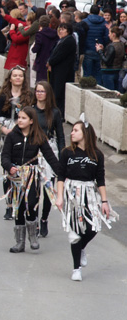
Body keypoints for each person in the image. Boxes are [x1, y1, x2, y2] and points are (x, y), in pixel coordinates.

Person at [55, 120, 115, 281]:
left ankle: (81, 248)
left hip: (89, 193)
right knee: (74, 233)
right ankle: (76, 269)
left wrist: (104, 202)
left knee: (94, 227)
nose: (71, 133)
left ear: (85, 134)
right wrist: (60, 197)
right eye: (72, 130)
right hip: (72, 194)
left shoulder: (97, 155)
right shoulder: (67, 153)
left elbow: (100, 180)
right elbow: (60, 176)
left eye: (75, 130)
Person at [1, 107, 62, 253]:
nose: (19, 120)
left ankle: (33, 235)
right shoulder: (12, 136)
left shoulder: (39, 137)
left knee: (32, 204)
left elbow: (50, 157)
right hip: (16, 177)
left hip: (31, 176)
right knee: (19, 207)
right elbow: (5, 156)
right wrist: (10, 167)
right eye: (19, 117)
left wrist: (62, 172)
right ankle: (20, 242)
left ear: (31, 121)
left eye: (23, 118)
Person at [0, 66, 34, 218]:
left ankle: (22, 204)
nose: (17, 78)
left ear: (24, 79)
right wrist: (5, 130)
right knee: (8, 170)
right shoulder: (4, 95)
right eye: (15, 76)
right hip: (8, 136)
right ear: (10, 78)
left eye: (20, 76)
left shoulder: (29, 95)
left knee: (23, 169)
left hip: (24, 135)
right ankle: (9, 205)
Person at [33, 80, 65, 238]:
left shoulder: (55, 113)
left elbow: (61, 137)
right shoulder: (31, 110)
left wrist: (63, 157)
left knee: (47, 189)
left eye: (42, 91)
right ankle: (32, 220)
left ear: (48, 94)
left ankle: (44, 219)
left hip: (49, 152)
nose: (39, 94)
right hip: (33, 151)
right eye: (37, 91)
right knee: (34, 189)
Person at [47, 22, 78, 116]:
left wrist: (50, 62)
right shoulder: (62, 40)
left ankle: (59, 114)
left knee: (59, 93)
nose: (60, 31)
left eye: (63, 29)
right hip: (58, 70)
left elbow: (59, 55)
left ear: (68, 31)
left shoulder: (69, 41)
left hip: (63, 71)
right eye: (60, 29)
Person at [96, 26, 125, 91]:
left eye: (109, 33)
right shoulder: (122, 44)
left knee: (109, 92)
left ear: (113, 34)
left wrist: (100, 51)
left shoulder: (112, 46)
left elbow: (107, 61)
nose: (108, 35)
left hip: (108, 72)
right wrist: (103, 50)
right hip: (118, 70)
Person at [31, 15, 58, 83]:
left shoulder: (40, 34)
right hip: (52, 59)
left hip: (41, 59)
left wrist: (33, 49)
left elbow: (36, 49)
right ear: (49, 23)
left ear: (40, 24)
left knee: (41, 81)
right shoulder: (55, 33)